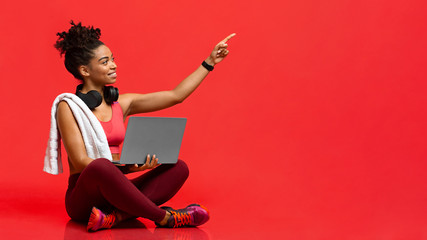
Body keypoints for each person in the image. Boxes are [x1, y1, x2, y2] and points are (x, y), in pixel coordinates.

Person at [46, 21, 235, 231]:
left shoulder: (122, 104)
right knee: (100, 166)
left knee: (178, 167)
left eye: (113, 59)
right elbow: (82, 162)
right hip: (84, 200)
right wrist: (125, 166)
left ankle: (116, 217)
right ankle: (165, 218)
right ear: (85, 70)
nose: (114, 65)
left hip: (117, 193)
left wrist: (209, 62)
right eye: (105, 61)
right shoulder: (69, 106)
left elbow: (175, 96)